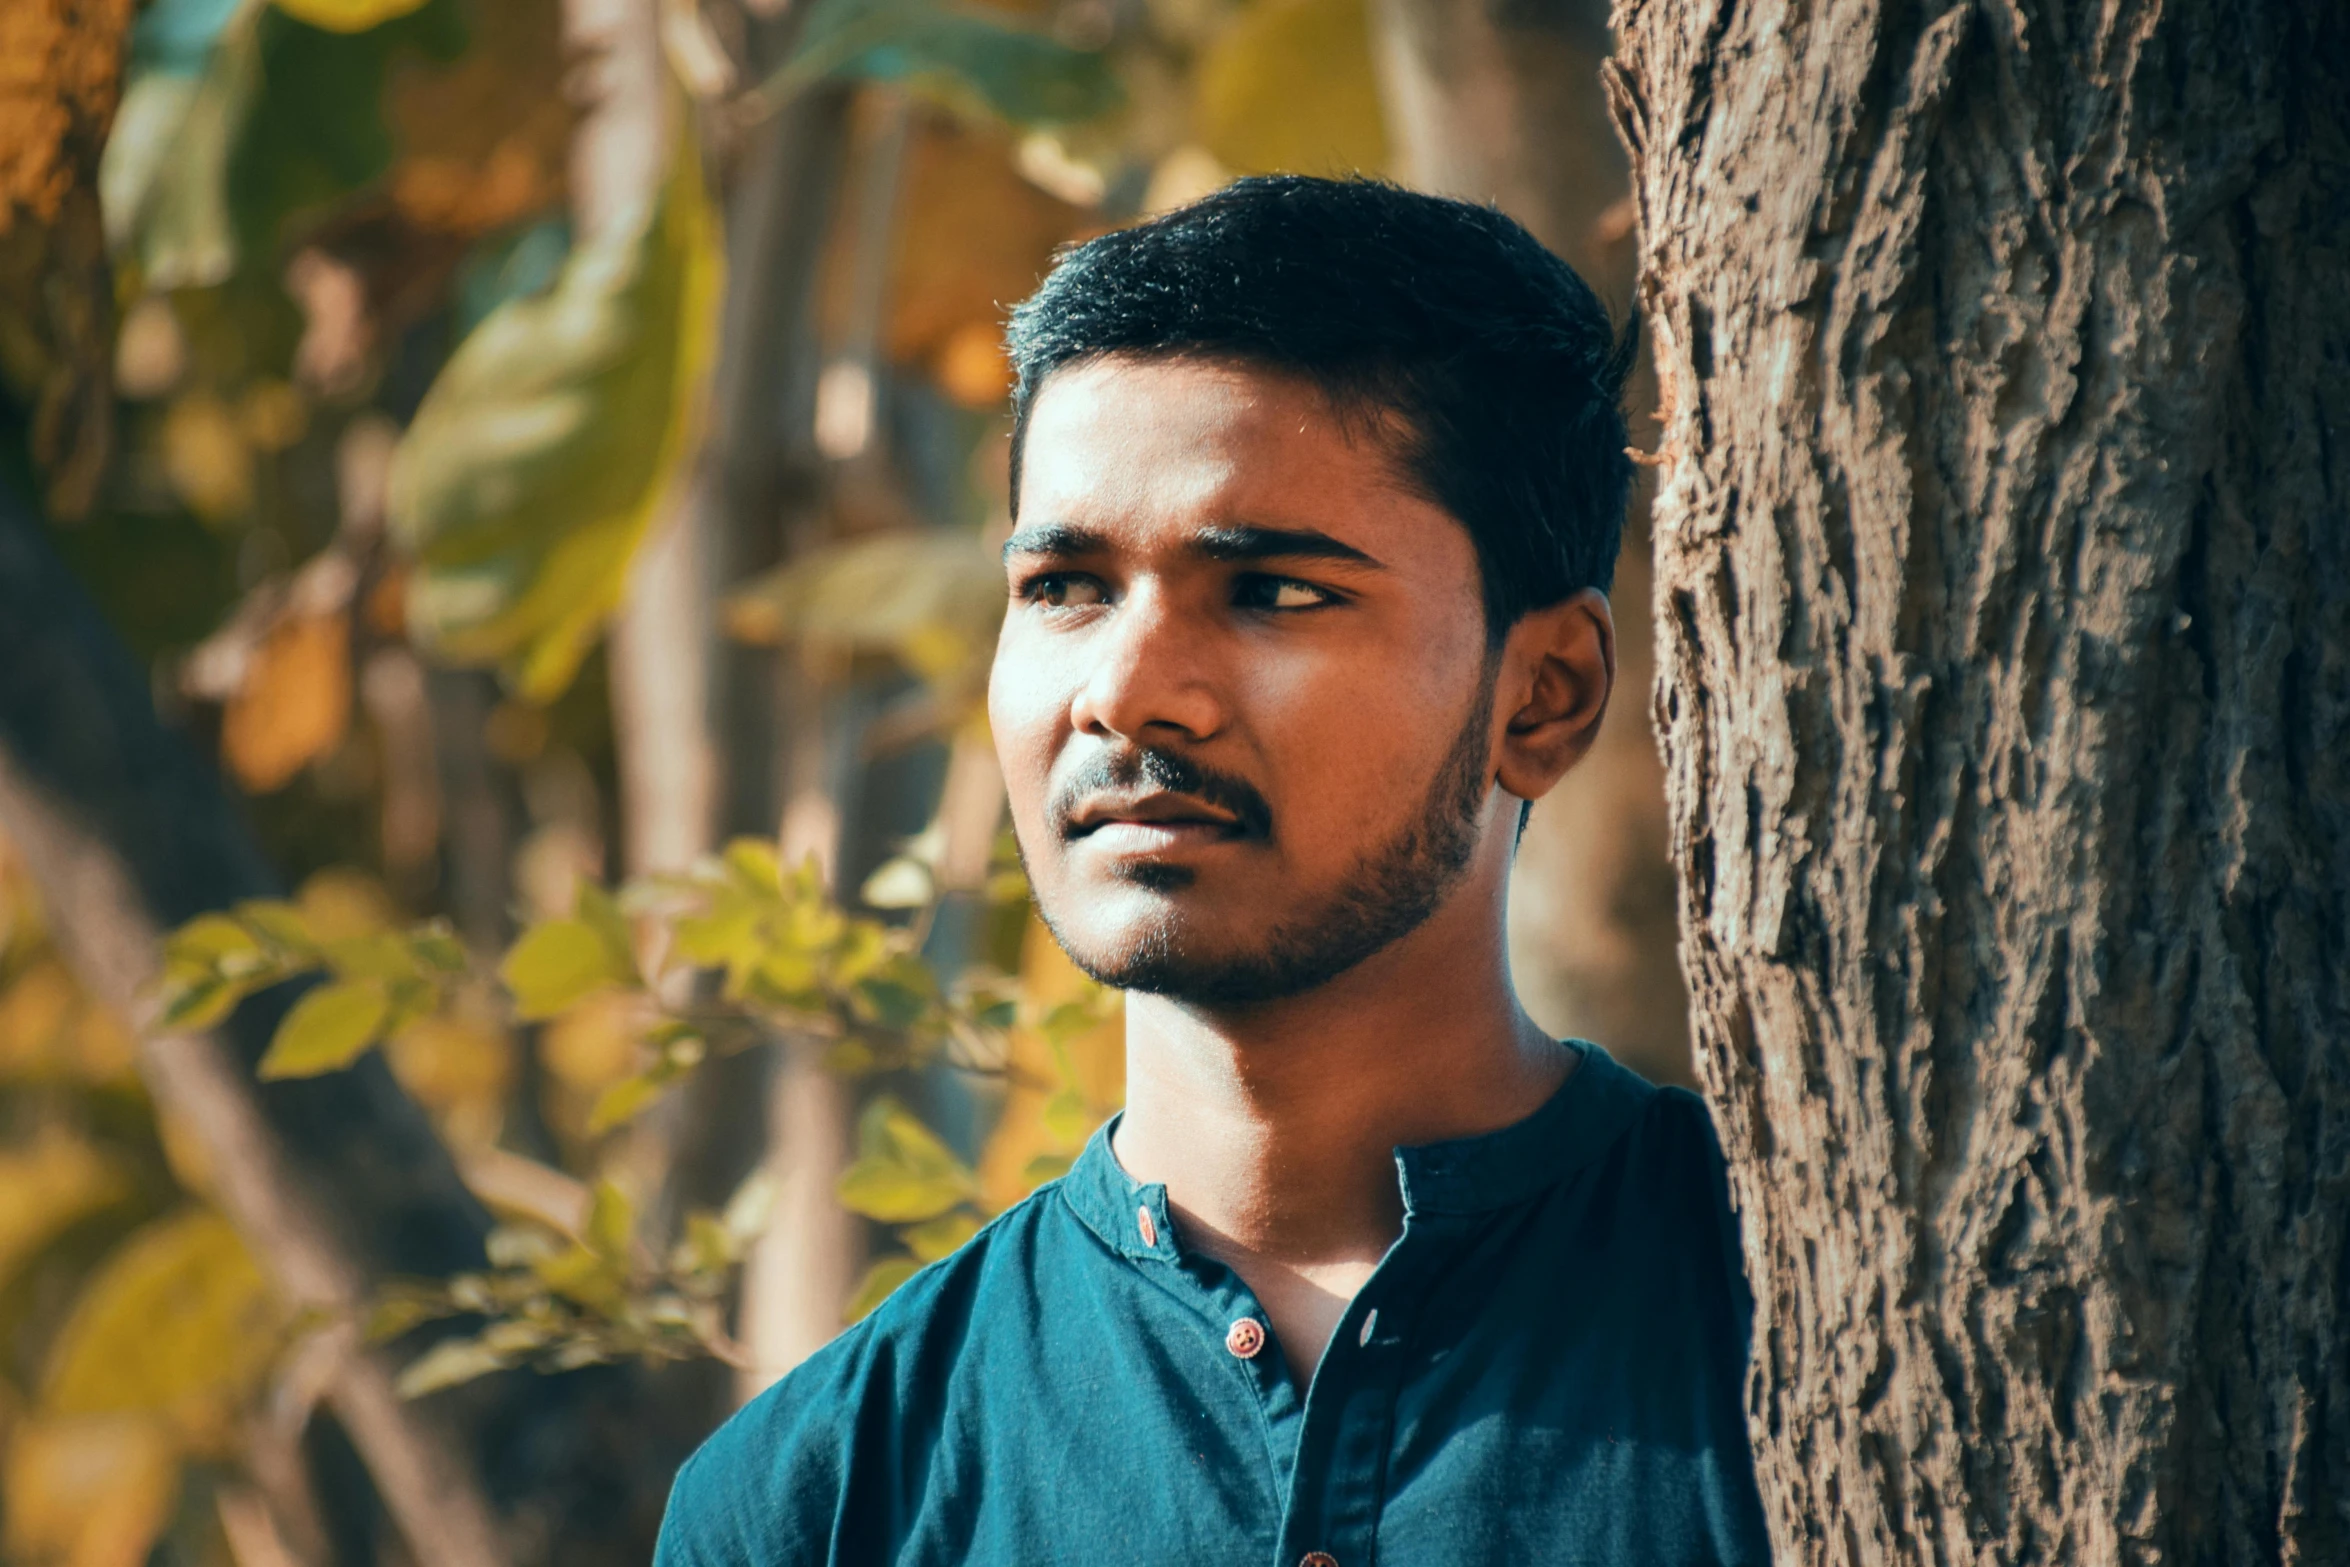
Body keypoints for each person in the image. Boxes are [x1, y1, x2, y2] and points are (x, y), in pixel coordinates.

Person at [655, 175, 1771, 1567]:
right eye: (1065, 587)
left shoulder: (1802, 1331)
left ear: (1540, 695)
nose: (1128, 691)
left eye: (1272, 592)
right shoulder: (819, 1497)